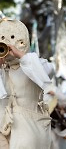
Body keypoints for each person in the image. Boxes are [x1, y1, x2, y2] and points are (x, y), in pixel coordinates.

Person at [0, 19, 53, 149]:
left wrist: (20, 55)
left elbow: (44, 77)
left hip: (29, 129)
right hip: (4, 130)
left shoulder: (38, 63)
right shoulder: (2, 69)